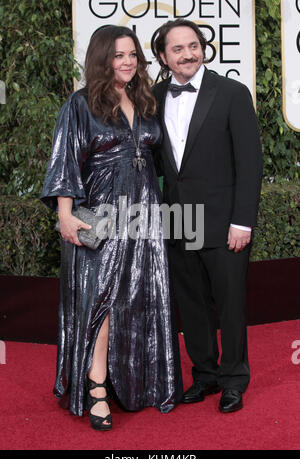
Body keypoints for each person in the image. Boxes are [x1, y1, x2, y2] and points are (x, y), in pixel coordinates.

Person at [41, 25, 182, 431]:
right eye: (118, 55)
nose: (127, 62)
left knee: (142, 294)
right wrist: (65, 215)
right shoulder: (81, 104)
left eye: (132, 55)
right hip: (100, 213)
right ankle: (97, 387)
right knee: (100, 302)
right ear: (103, 59)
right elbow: (65, 160)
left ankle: (144, 382)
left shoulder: (145, 100)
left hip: (145, 214)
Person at [153, 19, 263, 413]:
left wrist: (242, 221)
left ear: (203, 48)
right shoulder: (154, 96)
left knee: (230, 303)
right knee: (192, 302)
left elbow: (249, 164)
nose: (188, 54)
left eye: (193, 45)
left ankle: (234, 379)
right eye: (178, 48)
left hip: (223, 220)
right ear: (163, 57)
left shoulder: (232, 93)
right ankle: (205, 375)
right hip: (179, 218)